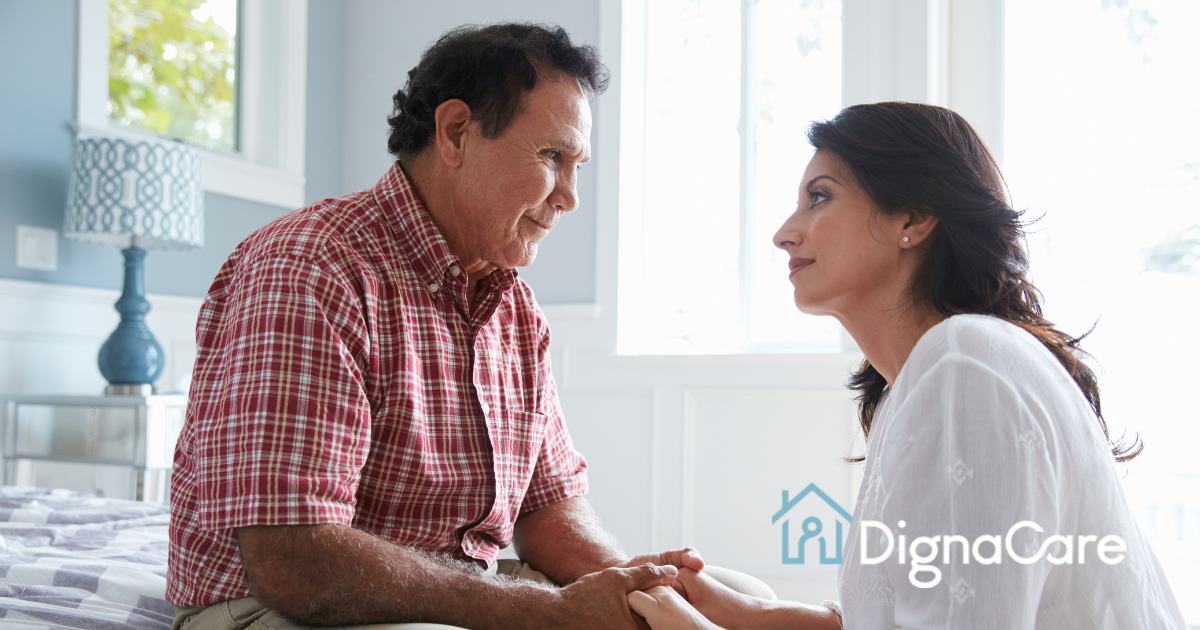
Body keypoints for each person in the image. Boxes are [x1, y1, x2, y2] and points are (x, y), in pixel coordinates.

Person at [166, 23, 772, 630]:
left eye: (577, 164)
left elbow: (548, 510)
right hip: (269, 607)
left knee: (728, 591)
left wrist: (639, 593)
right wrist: (552, 613)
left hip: (446, 595)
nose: (570, 197)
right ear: (455, 132)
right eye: (551, 156)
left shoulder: (515, 308)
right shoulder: (311, 269)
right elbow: (293, 561)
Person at [625, 102, 1188, 629]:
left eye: (819, 197)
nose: (784, 233)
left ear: (914, 218)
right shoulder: (931, 376)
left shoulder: (965, 369)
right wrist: (747, 612)